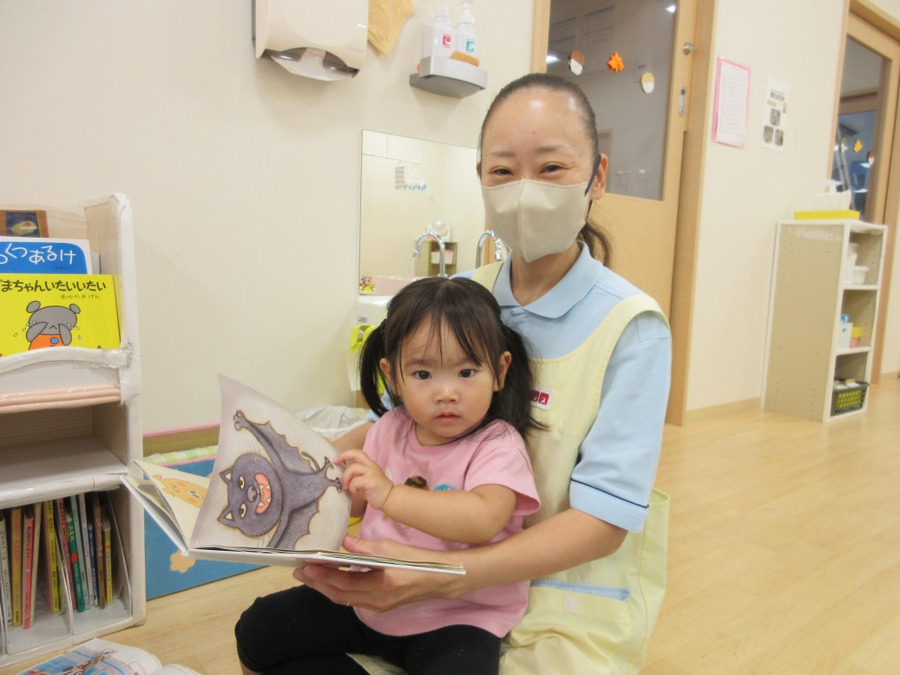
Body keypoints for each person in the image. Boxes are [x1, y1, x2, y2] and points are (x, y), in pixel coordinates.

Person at [296, 72, 672, 673]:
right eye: (502, 170)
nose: (525, 189)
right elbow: (391, 424)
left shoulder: (631, 327)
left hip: (558, 596)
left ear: (597, 177)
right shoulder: (466, 296)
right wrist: (291, 456)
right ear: (480, 179)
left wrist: (440, 579)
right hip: (427, 565)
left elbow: (604, 523)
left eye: (551, 168)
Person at [235, 276, 542, 674]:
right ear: (392, 376)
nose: (446, 392)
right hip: (370, 599)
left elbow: (484, 518)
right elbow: (356, 500)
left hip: (458, 616)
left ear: (500, 371)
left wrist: (390, 494)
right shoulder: (389, 427)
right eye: (422, 375)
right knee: (258, 628)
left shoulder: (498, 444)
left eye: (466, 372)